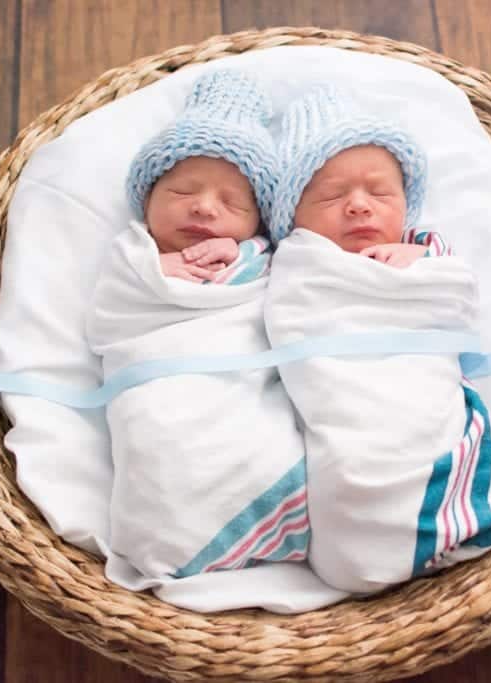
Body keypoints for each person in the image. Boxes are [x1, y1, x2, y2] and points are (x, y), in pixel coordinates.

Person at [264, 85, 491, 594]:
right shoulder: (298, 266)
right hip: (348, 428)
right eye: (331, 196)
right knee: (348, 472)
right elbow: (288, 322)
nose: (359, 207)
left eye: (379, 193)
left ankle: (445, 511)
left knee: (428, 424)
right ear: (292, 221)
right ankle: (376, 539)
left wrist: (421, 269)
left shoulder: (425, 252)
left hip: (420, 402)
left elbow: (456, 300)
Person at [86, 69, 309, 591]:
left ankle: (280, 514)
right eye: (183, 190)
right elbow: (109, 319)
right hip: (160, 398)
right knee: (160, 454)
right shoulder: (130, 259)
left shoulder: (261, 258)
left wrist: (243, 260)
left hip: (242, 397)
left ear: (258, 225)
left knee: (273, 448)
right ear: (146, 202)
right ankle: (176, 538)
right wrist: (155, 275)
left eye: (232, 204)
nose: (205, 206)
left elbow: (293, 308)